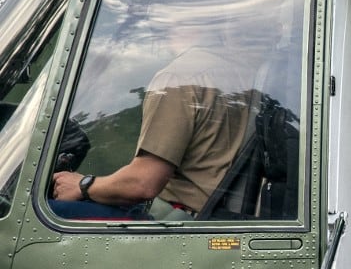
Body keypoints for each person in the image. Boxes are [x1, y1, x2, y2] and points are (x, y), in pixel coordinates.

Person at [51, 26, 260, 220]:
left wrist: (82, 184)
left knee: (48, 212)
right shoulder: (239, 71)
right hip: (217, 215)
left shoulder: (179, 77)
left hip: (183, 222)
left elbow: (143, 183)